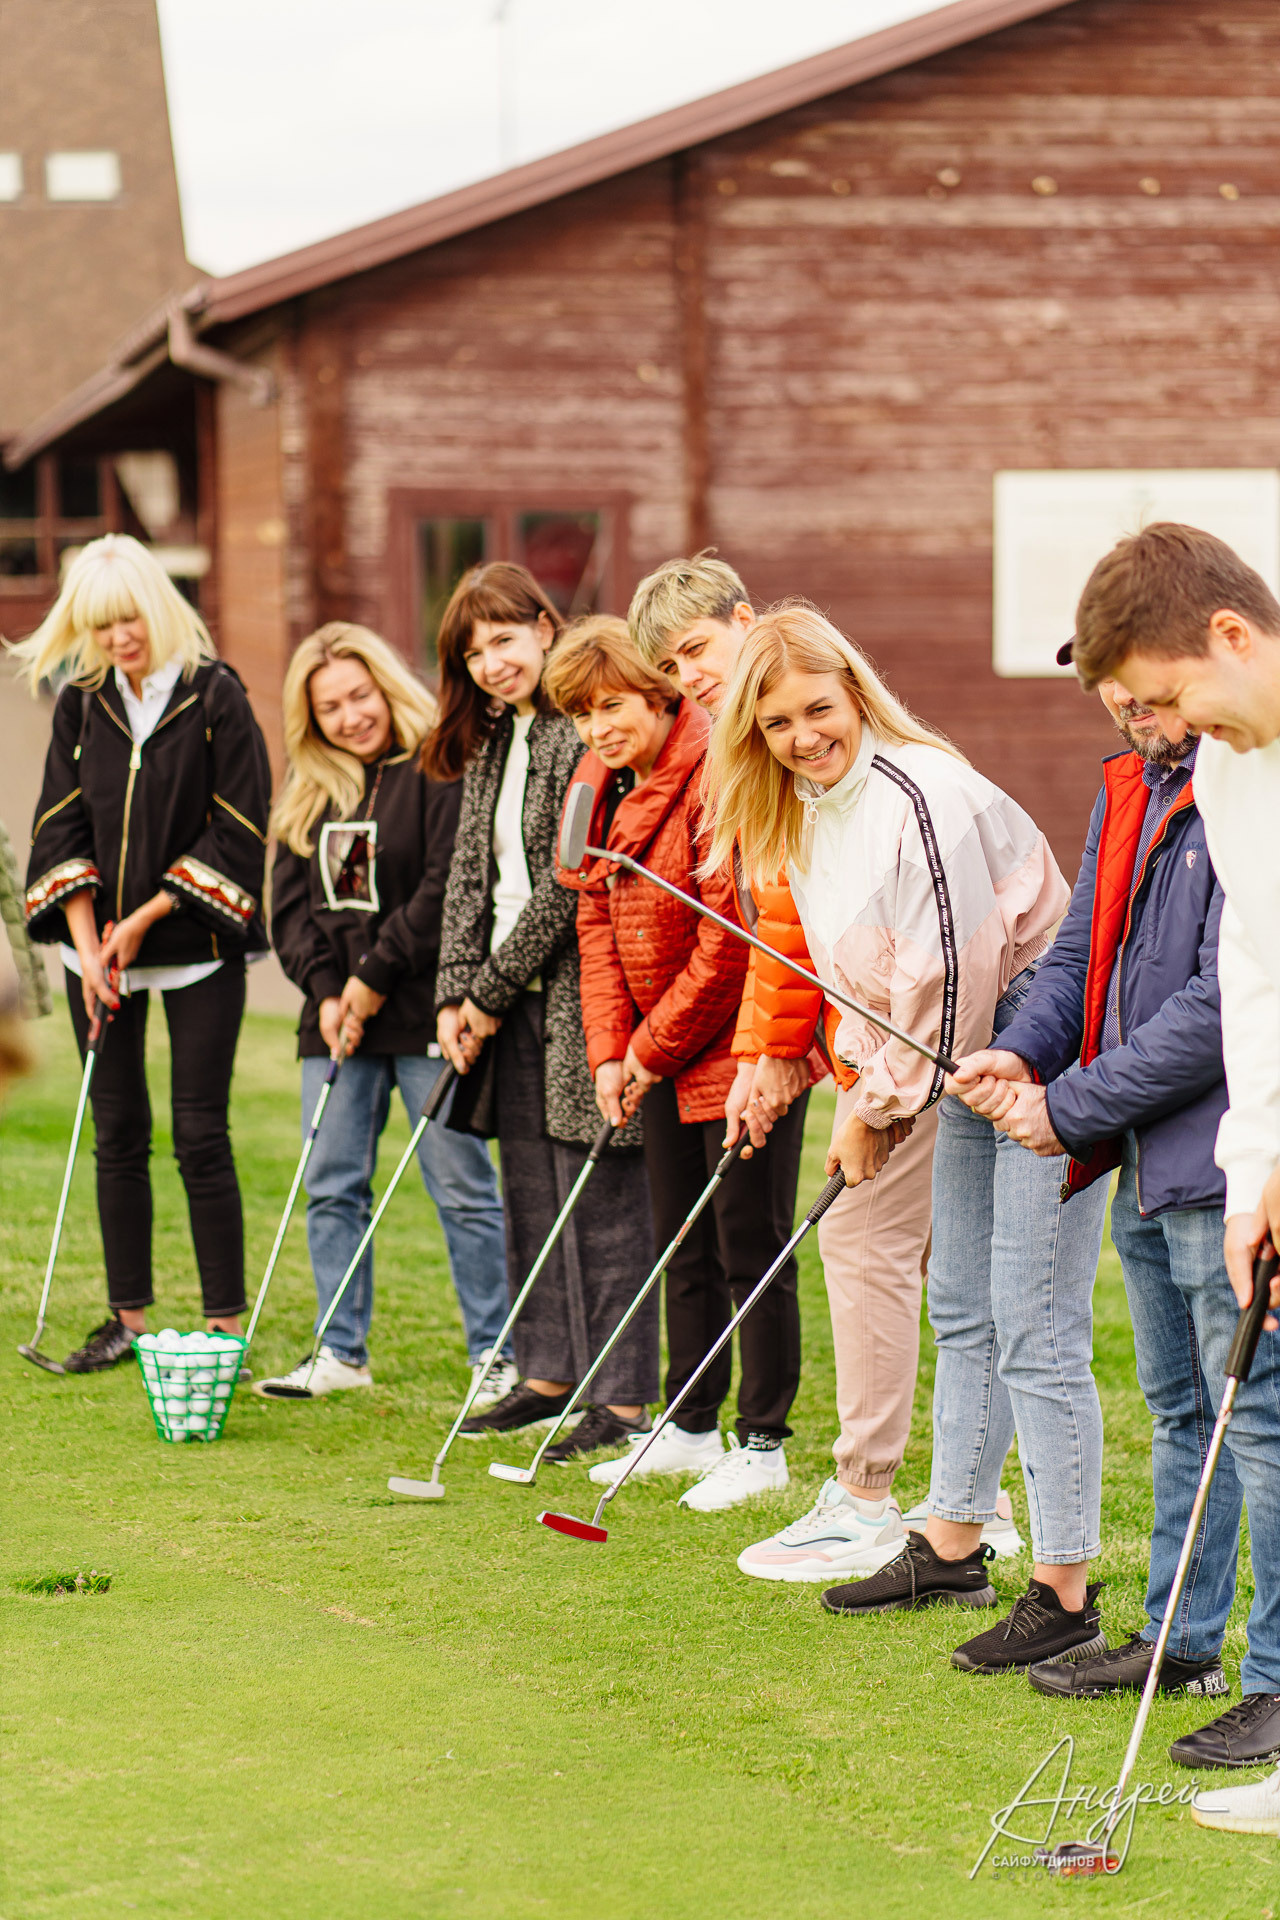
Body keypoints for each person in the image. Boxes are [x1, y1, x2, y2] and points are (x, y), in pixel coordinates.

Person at [701, 604, 1071, 1597]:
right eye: (776, 723)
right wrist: (857, 1089)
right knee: (952, 1280)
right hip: (936, 1048)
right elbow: (859, 976)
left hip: (1016, 1038)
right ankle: (964, 1504)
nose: (802, 736)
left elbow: (954, 976)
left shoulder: (919, 793)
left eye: (817, 709)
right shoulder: (812, 805)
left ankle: (869, 1499)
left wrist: (878, 1108)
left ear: (856, 692)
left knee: (898, 1253)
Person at [1065, 522, 1280, 1833]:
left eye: (1166, 696)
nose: (1167, 729)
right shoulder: (1236, 770)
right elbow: (1256, 980)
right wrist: (1256, 1173)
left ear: (1231, 635)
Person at [545, 615, 798, 1503]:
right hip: (656, 1054)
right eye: (582, 715)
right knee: (680, 1243)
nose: (599, 727)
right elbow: (596, 925)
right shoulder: (606, 790)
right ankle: (690, 1425)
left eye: (612, 705)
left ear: (658, 697)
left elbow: (728, 940)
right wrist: (610, 1054)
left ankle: (762, 1441)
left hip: (741, 1046)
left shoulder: (713, 774)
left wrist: (648, 1050)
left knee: (748, 1243)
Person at [15, 534, 270, 1366]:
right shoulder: (82, 702)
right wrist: (91, 946)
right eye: (101, 625)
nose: (118, 637)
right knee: (118, 1130)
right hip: (98, 952)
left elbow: (239, 825)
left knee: (201, 1134)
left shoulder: (216, 695)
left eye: (129, 618)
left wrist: (143, 920)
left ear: (158, 607)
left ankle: (223, 1327)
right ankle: (127, 1320)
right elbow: (59, 824)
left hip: (194, 945)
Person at [426, 564, 656, 1453]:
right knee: (528, 1192)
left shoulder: (577, 733)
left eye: (504, 639)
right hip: (502, 1002)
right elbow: (469, 878)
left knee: (599, 1196)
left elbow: (569, 884)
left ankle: (622, 1398)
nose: (491, 663)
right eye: (473, 653)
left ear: (545, 629)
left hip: (572, 996)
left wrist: (485, 992)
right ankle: (549, 1373)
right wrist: (456, 993)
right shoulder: (494, 737)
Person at [255, 622, 510, 1403]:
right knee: (333, 1184)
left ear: (385, 686)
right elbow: (287, 912)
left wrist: (371, 978)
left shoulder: (437, 767)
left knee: (461, 1185)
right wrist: (329, 992)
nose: (350, 716)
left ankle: (496, 1354)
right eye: (329, 707)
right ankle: (340, 1351)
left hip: (424, 1012)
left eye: (359, 695)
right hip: (335, 1022)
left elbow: (442, 890)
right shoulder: (309, 790)